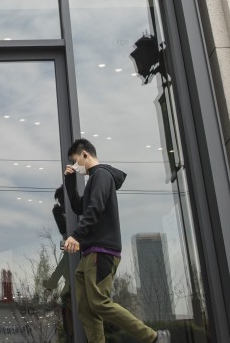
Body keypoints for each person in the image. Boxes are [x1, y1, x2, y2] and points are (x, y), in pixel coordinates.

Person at [62, 139, 170, 343]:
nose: (76, 168)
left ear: (85, 155)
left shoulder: (102, 175)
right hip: (89, 252)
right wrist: (68, 181)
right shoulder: (94, 179)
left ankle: (154, 338)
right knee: (86, 307)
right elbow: (80, 208)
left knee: (99, 302)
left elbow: (95, 208)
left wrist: (76, 235)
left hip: (102, 250)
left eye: (76, 162)